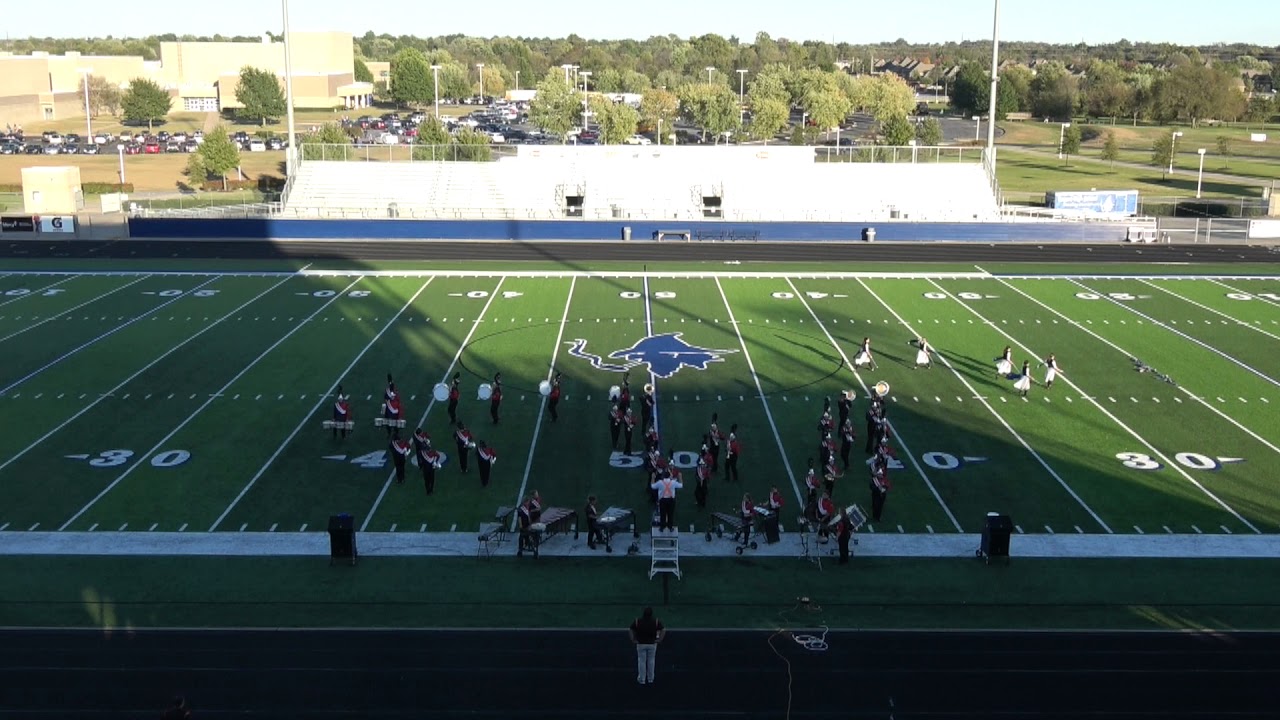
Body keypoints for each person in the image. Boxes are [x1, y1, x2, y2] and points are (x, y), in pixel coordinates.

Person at [629, 607, 665, 685]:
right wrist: (659, 640)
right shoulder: (656, 621)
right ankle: (650, 678)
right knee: (651, 661)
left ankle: (642, 679)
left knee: (641, 661)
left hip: (641, 644)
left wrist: (633, 639)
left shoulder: (637, 621)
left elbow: (631, 629)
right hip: (652, 644)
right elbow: (663, 630)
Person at [651, 469, 682, 533]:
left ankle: (662, 527)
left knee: (663, 514)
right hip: (671, 500)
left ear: (663, 476)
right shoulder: (673, 482)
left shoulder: (660, 482)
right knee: (670, 514)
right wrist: (680, 477)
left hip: (662, 501)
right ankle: (670, 527)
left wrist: (653, 478)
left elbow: (652, 486)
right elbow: (681, 485)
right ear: (669, 476)